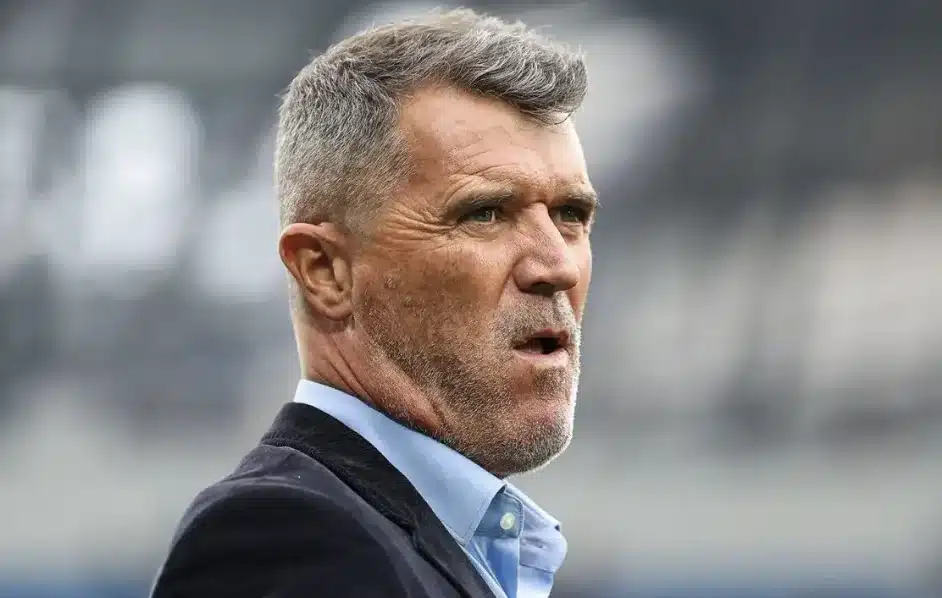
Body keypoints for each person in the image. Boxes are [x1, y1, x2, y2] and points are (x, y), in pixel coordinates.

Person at [150, 8, 596, 598]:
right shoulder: (285, 539)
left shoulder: (431, 544)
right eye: (485, 213)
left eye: (570, 214)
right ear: (326, 272)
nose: (558, 266)